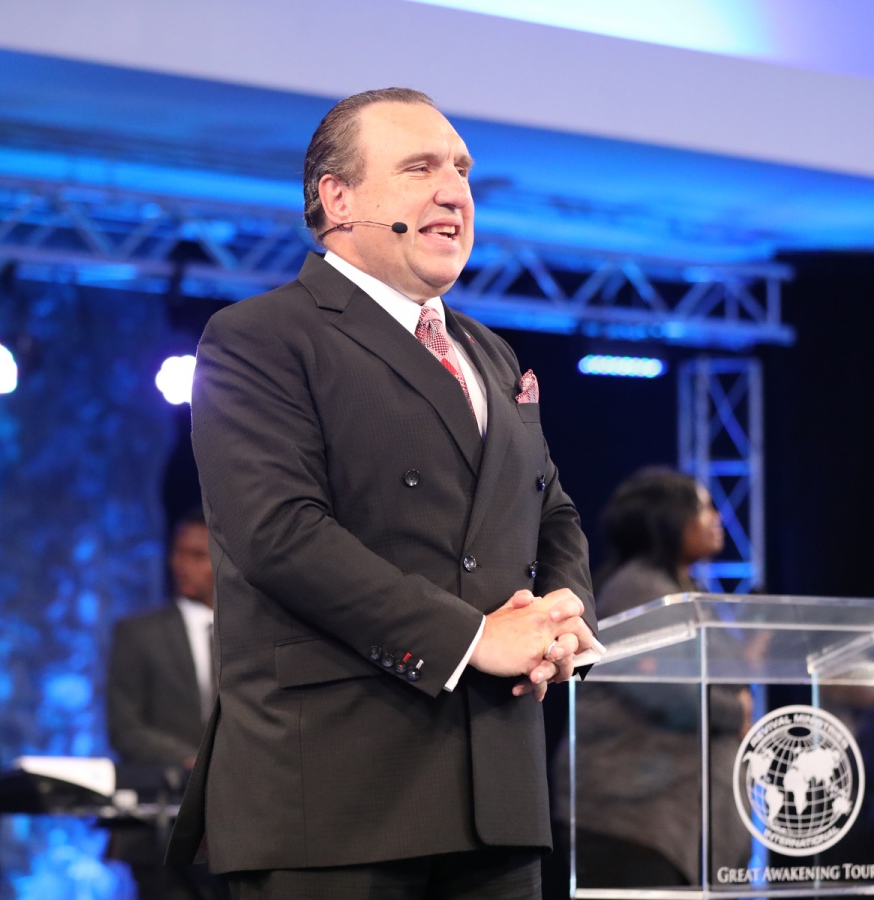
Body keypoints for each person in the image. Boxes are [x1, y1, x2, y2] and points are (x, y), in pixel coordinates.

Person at [167, 87, 598, 900]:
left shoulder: (492, 354)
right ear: (339, 199)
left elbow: (552, 512)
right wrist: (475, 638)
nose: (455, 190)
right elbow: (281, 535)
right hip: (336, 797)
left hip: (497, 796)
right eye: (420, 168)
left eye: (462, 170)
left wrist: (563, 620)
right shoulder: (259, 337)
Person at [552, 467, 750, 888]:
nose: (717, 517)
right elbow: (670, 694)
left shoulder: (681, 588)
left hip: (669, 814)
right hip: (630, 818)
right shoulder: (639, 589)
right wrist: (737, 711)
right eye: (702, 507)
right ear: (669, 518)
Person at [107, 506, 230, 900]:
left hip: (237, 822)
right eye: (178, 553)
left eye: (197, 555)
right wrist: (191, 761)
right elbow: (126, 728)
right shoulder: (137, 633)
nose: (181, 565)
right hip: (159, 825)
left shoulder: (249, 633)